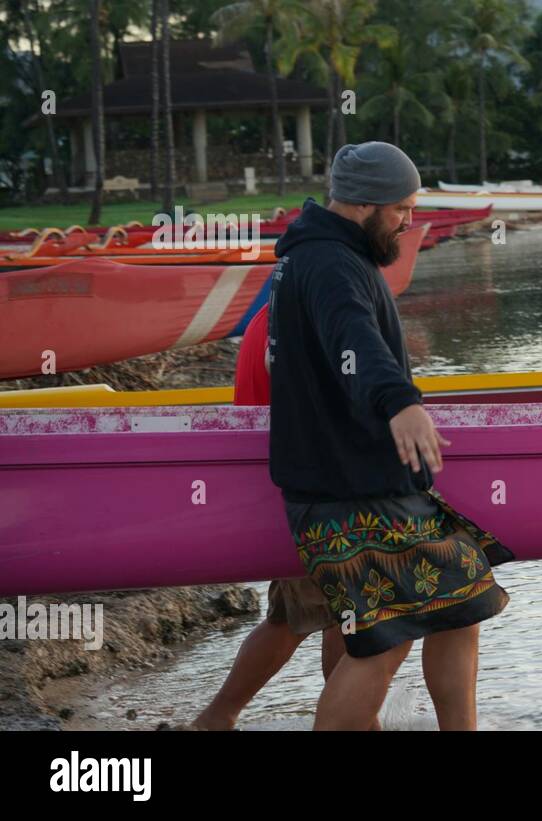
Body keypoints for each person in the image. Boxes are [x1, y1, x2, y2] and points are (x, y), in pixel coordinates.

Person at [268, 142, 512, 731]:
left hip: (359, 484)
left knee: (461, 603)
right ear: (365, 204)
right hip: (348, 493)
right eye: (402, 207)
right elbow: (353, 341)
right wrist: (400, 402)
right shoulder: (328, 263)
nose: (409, 221)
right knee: (381, 642)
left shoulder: (320, 256)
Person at [193, 305, 371, 730]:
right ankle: (349, 724)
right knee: (341, 613)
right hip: (313, 487)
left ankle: (218, 718)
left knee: (303, 615)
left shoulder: (273, 314)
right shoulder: (306, 317)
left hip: (281, 485)